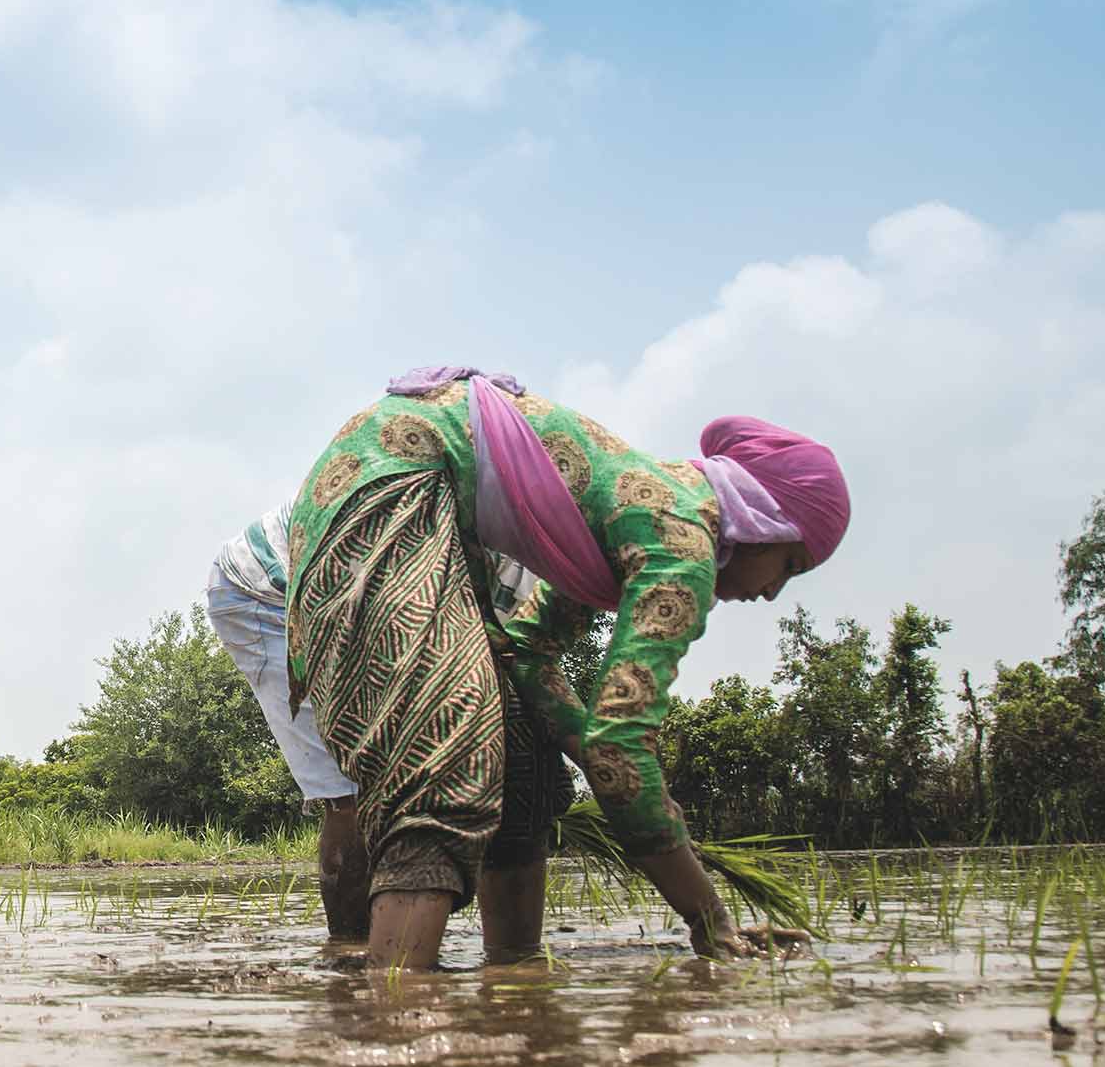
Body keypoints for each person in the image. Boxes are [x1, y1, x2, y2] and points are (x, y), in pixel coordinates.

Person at [284, 366, 850, 970]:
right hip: (391, 486)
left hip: (398, 481)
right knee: (450, 747)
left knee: (523, 751)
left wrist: (587, 745)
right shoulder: (683, 539)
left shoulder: (636, 512)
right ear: (764, 522)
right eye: (789, 565)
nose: (771, 593)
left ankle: (515, 978)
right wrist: (709, 917)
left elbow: (528, 649)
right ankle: (399, 1013)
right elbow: (621, 751)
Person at [206, 505, 549, 944]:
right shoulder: (500, 546)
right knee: (352, 787)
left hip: (363, 581)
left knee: (510, 760)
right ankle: (350, 955)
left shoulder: (534, 582)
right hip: (272, 586)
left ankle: (509, 959)